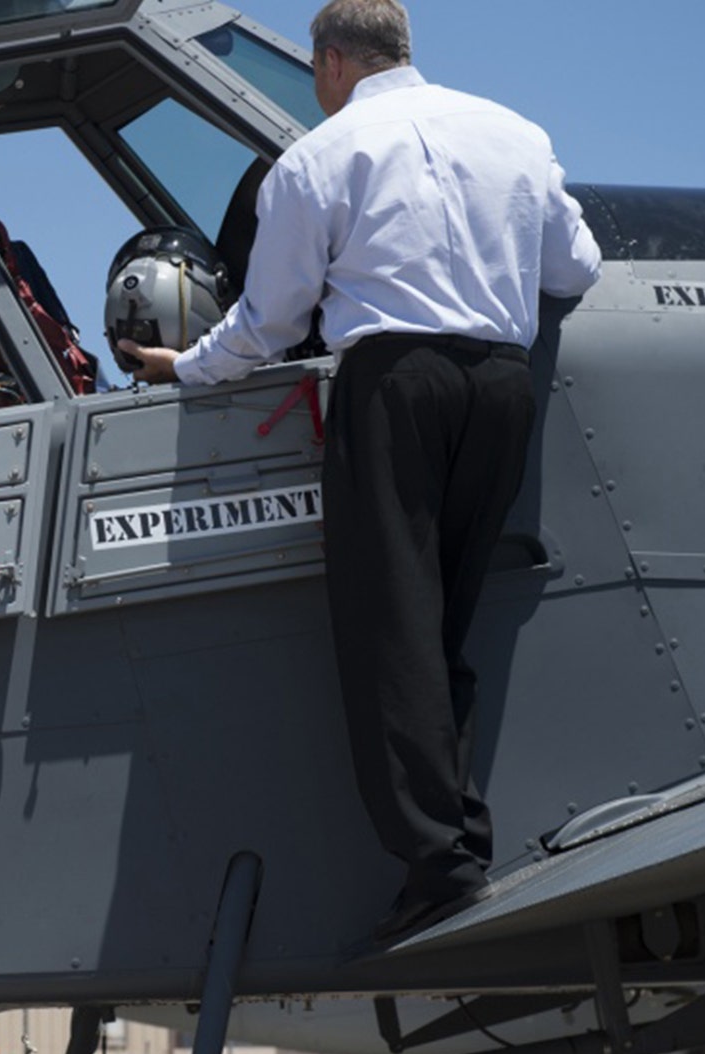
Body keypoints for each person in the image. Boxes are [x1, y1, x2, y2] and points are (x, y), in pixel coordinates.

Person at [117, 0, 601, 942]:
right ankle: (454, 834)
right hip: (501, 386)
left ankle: (439, 863)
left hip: (395, 385)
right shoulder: (515, 132)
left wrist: (188, 366)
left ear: (333, 61)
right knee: (449, 619)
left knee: (391, 628)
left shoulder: (318, 158)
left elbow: (267, 320)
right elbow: (574, 270)